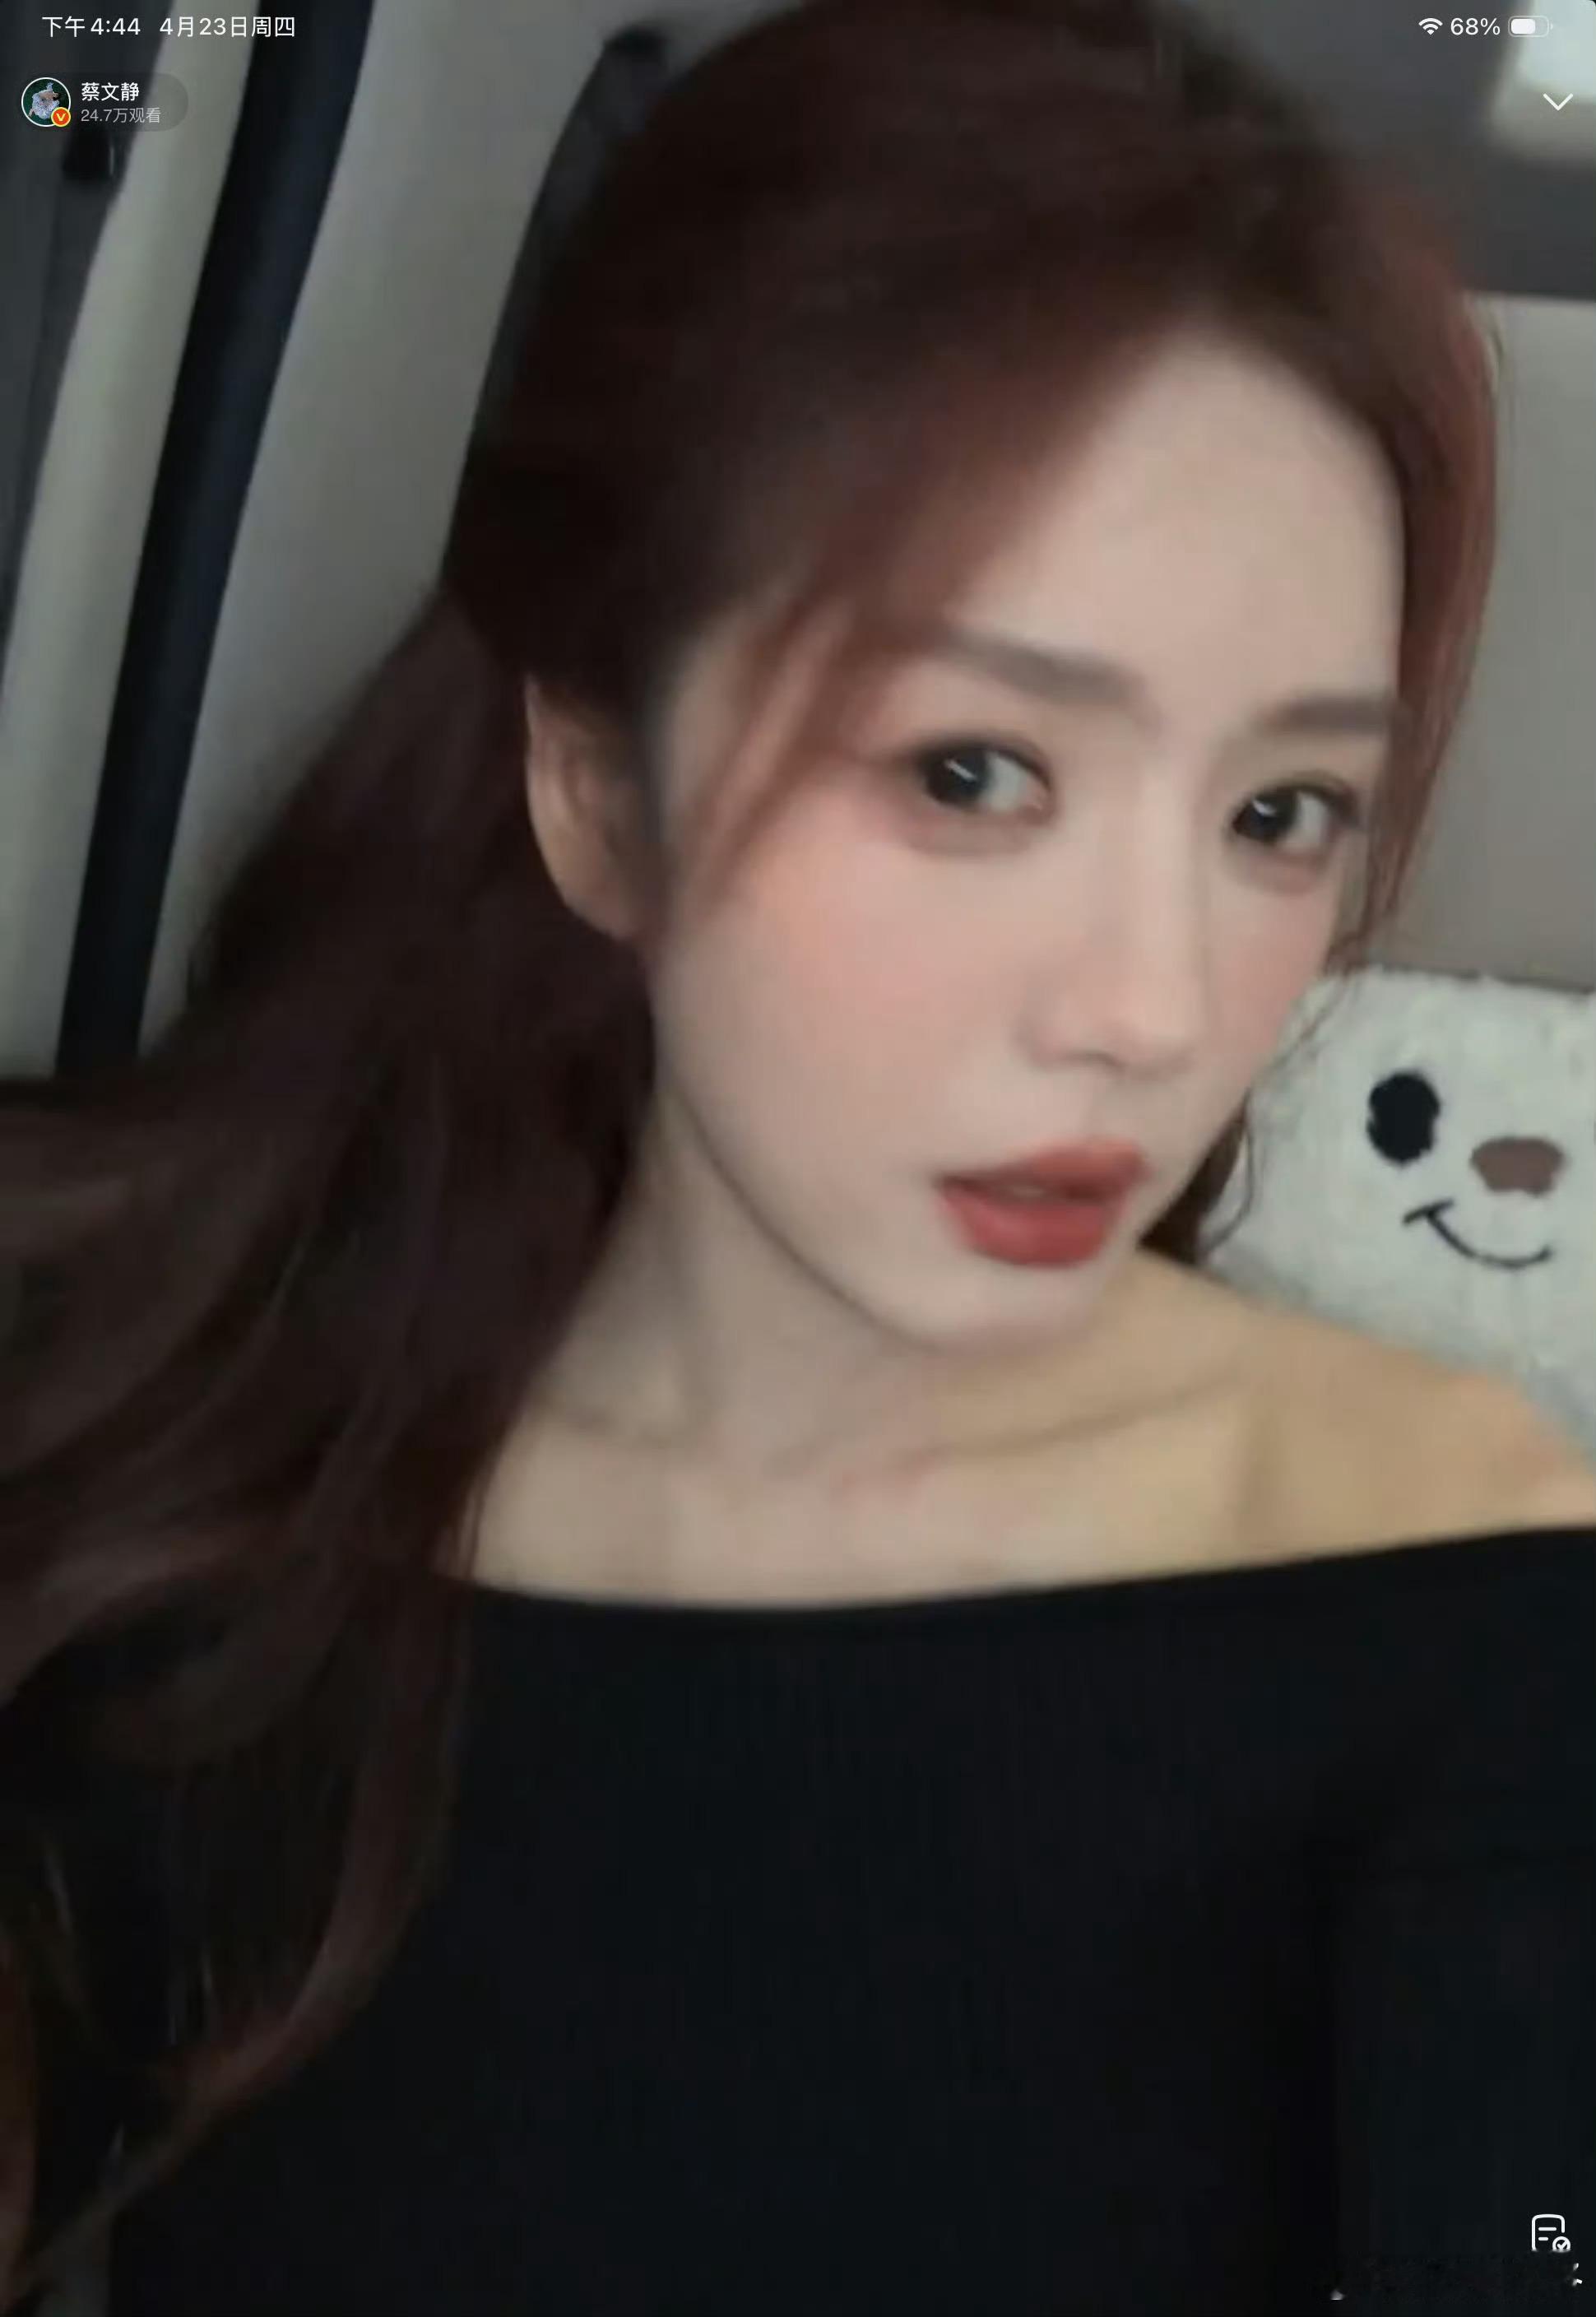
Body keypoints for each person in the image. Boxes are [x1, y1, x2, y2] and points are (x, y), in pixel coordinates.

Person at [2, 1, 1592, 2310]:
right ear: (595, 788)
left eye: (1279, 813)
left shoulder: (1458, 1586)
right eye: (971, 772)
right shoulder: (186, 1458)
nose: (1153, 1005)